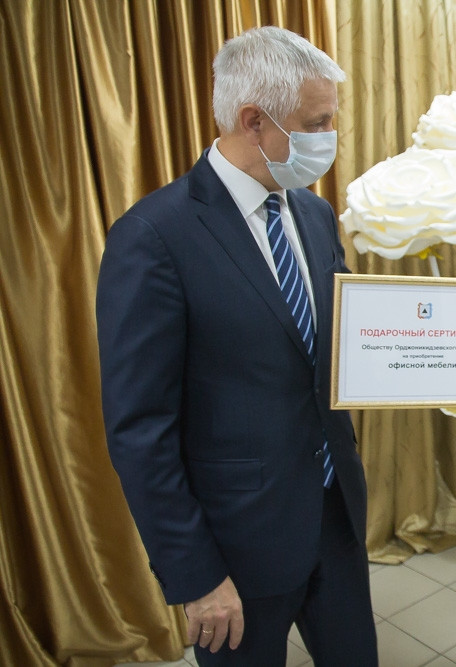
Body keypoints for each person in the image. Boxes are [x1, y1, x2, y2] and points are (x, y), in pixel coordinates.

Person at [96, 27, 377, 666]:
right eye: (317, 123)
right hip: (236, 548)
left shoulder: (313, 214)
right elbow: (140, 429)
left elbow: (334, 343)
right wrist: (195, 575)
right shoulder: (153, 237)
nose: (330, 136)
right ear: (254, 121)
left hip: (334, 514)